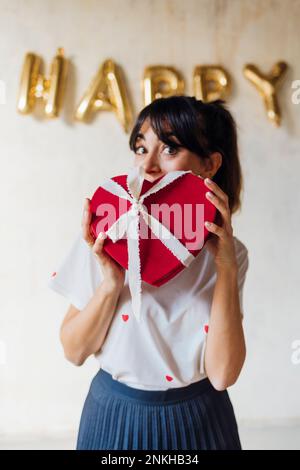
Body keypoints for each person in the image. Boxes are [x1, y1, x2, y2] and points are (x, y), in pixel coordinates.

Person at [48, 95, 249, 450]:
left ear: (210, 164)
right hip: (113, 417)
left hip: (200, 422)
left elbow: (222, 375)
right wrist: (111, 284)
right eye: (141, 149)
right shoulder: (106, 235)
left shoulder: (230, 255)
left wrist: (226, 269)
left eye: (170, 149)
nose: (149, 165)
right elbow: (74, 351)